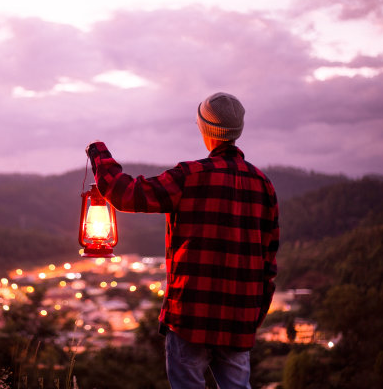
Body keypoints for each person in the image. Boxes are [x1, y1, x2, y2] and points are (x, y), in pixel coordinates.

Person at [85, 92, 279, 389]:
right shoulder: (263, 184)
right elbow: (269, 263)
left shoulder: (190, 175)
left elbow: (127, 194)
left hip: (190, 316)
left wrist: (99, 153)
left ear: (204, 128)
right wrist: (253, 316)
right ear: (237, 131)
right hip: (239, 319)